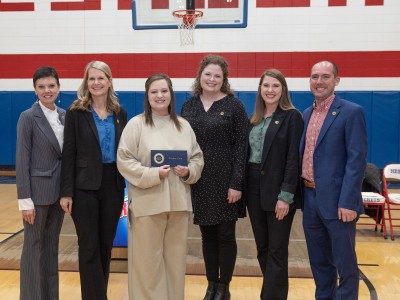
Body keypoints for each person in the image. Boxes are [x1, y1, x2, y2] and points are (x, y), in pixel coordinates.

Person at [117, 73, 204, 300]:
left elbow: (197, 158)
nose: (159, 95)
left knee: (175, 265)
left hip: (178, 206)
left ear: (171, 94)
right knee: (146, 267)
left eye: (164, 91)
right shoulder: (136, 125)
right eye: (154, 91)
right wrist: (153, 174)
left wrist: (189, 172)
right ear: (147, 96)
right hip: (148, 205)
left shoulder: (183, 126)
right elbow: (124, 161)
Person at [181, 54, 248, 300]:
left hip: (226, 179)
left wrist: (236, 183)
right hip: (198, 178)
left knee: (226, 236)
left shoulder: (234, 106)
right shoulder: (188, 106)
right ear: (200, 76)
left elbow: (242, 146)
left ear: (224, 79)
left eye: (217, 76)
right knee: (207, 236)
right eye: (208, 74)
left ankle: (224, 287)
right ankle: (211, 285)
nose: (212, 79)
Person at [59, 61, 127, 300]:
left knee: (105, 246)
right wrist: (66, 192)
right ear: (86, 83)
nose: (96, 83)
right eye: (92, 78)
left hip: (113, 186)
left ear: (109, 81)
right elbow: (68, 153)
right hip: (84, 186)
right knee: (89, 247)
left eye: (101, 78)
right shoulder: (76, 113)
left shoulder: (120, 113)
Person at [300, 61, 368, 300]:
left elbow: (356, 160)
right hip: (310, 199)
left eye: (325, 77)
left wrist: (349, 201)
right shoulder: (306, 114)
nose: (319, 81)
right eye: (314, 76)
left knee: (345, 264)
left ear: (336, 80)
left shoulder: (351, 111)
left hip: (340, 203)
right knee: (319, 264)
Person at [246, 69, 304, 300]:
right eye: (266, 86)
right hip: (253, 188)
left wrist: (286, 195)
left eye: (275, 86)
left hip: (278, 190)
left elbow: (293, 159)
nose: (270, 90)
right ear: (260, 89)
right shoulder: (254, 120)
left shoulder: (292, 117)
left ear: (283, 90)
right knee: (262, 248)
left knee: (277, 251)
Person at [16, 66, 65, 300]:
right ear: (35, 90)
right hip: (36, 196)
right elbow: (22, 159)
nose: (47, 90)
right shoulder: (27, 117)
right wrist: (25, 201)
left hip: (59, 195)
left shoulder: (65, 115)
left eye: (51, 86)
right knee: (33, 250)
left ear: (58, 87)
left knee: (51, 249)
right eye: (42, 87)